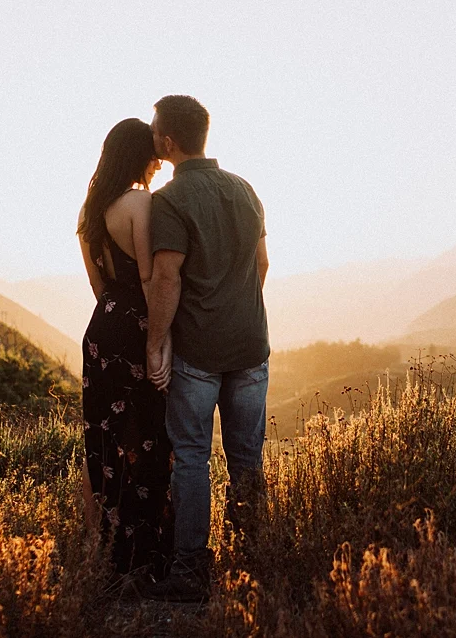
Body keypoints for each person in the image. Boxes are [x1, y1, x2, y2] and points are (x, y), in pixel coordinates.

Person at [143, 95, 270, 603]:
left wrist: (155, 343)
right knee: (247, 458)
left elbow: (166, 278)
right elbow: (262, 263)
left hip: (198, 352)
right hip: (251, 347)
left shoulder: (170, 200)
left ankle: (192, 571)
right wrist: (238, 308)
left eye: (155, 130)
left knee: (193, 456)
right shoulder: (245, 189)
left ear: (168, 141)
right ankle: (256, 559)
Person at [77, 118, 173, 582]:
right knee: (150, 435)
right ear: (138, 155)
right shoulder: (140, 203)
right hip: (139, 326)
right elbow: (152, 279)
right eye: (153, 155)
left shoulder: (90, 210)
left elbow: (99, 286)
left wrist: (116, 317)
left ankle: (102, 549)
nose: (158, 163)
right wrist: (159, 341)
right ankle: (145, 554)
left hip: (102, 328)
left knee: (103, 437)